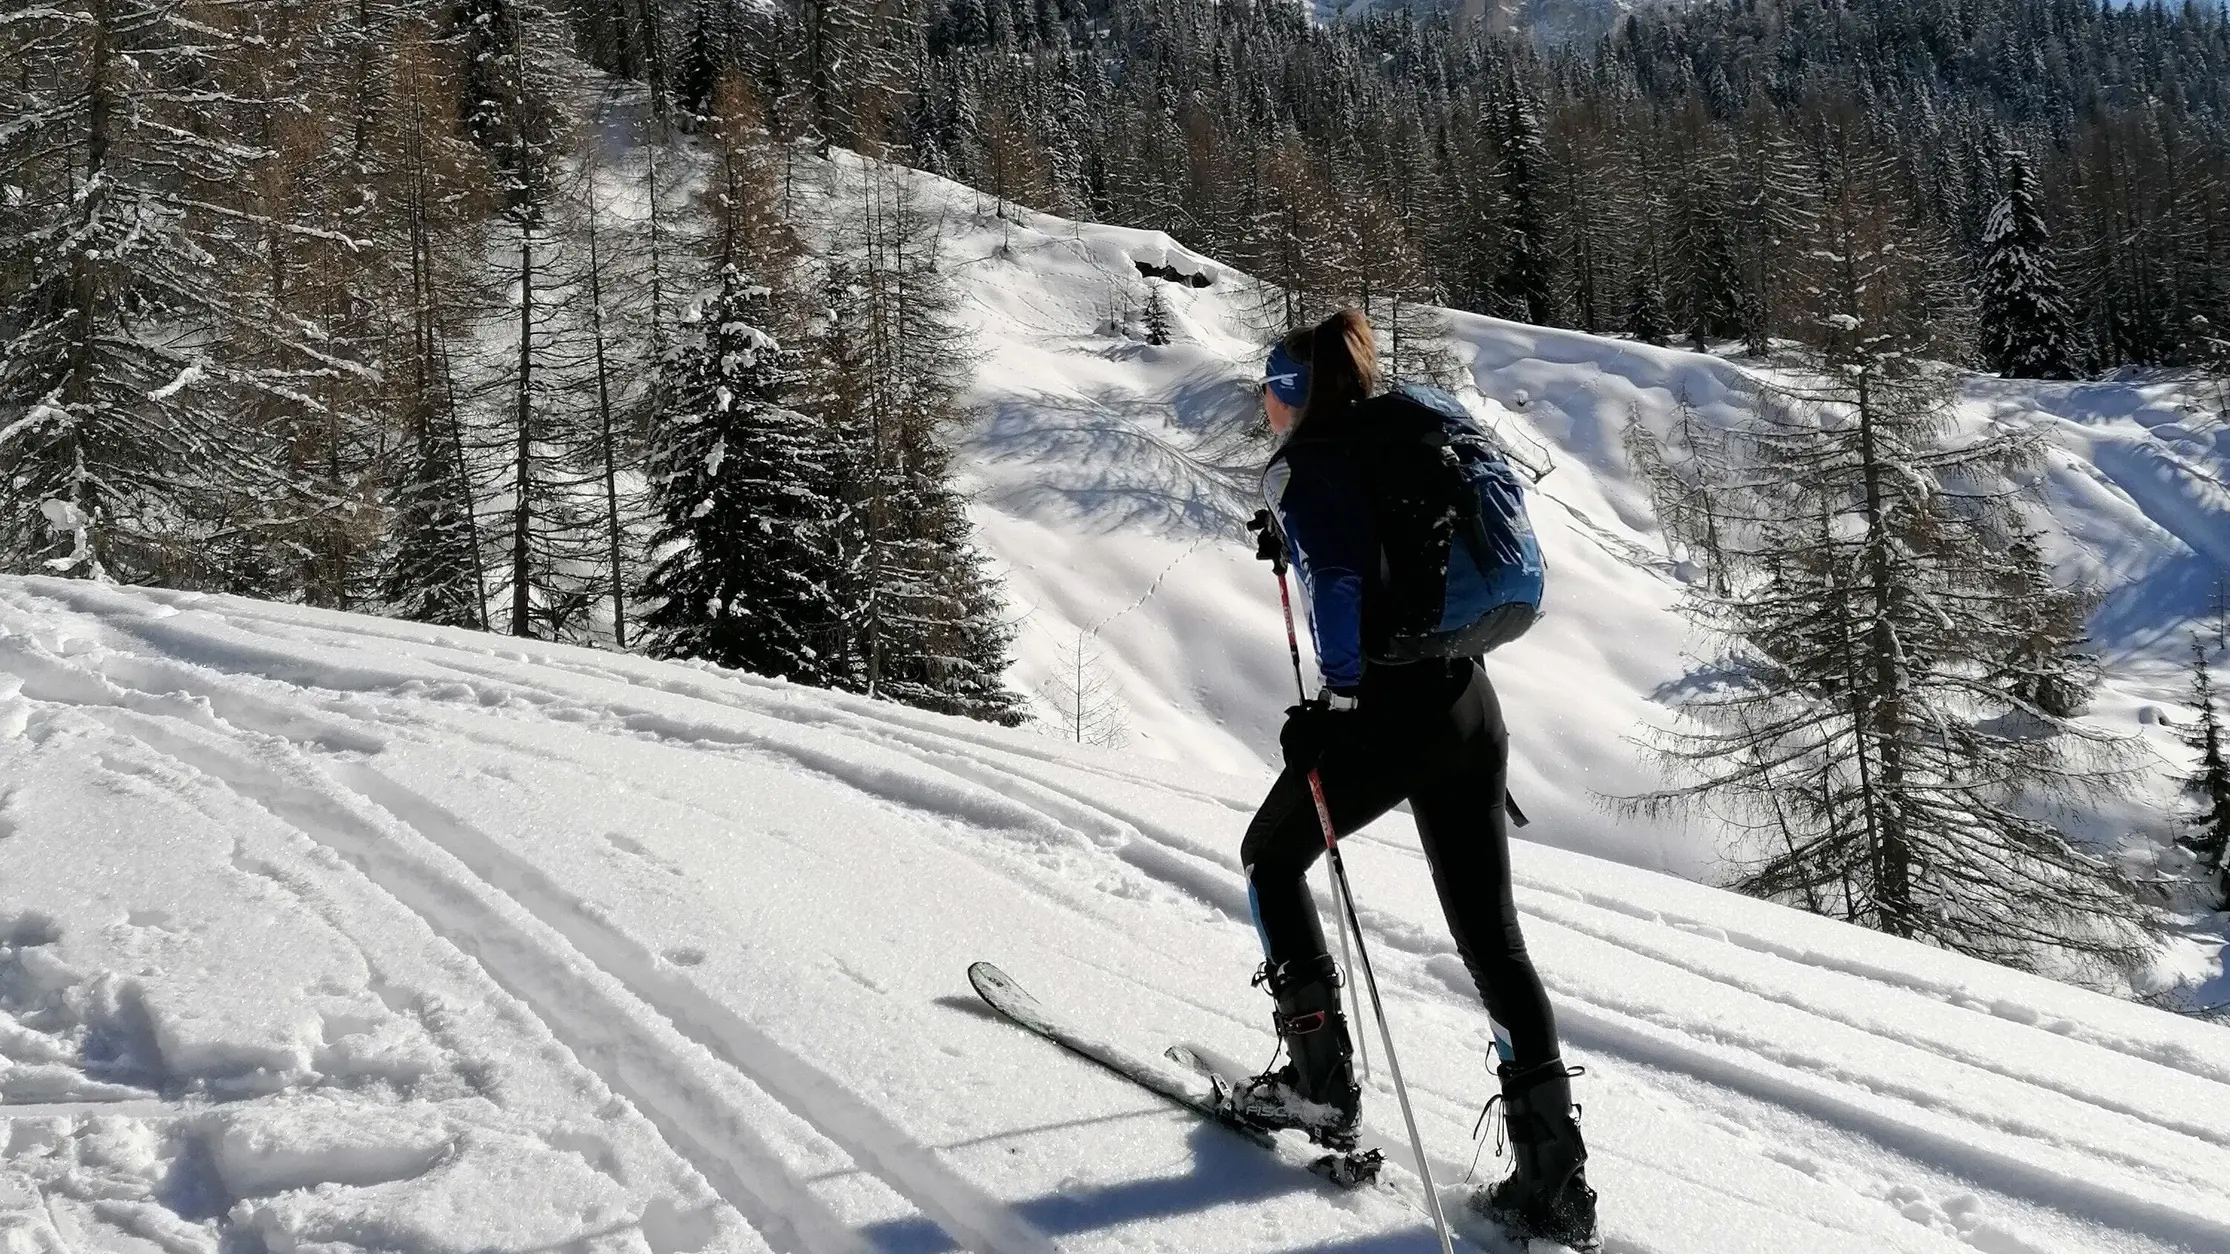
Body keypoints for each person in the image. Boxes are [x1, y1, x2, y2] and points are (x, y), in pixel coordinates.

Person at [1230, 308, 1599, 1251]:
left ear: (1297, 393)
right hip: (1468, 705)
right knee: (1494, 942)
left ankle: (1318, 1088)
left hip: (1389, 715)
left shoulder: (1316, 464)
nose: (1266, 405)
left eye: (1272, 389)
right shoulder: (1406, 431)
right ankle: (1554, 1186)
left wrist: (1336, 703)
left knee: (1270, 858)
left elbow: (1342, 587)